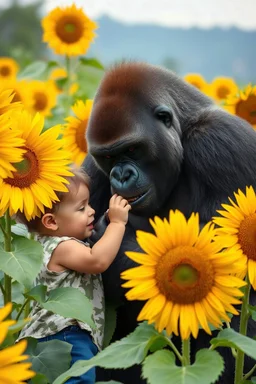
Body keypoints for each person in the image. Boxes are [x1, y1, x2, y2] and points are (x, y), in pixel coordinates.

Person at [16, 167, 131, 383]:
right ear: (51, 222)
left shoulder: (45, 244)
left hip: (55, 338)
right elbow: (98, 260)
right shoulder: (62, 247)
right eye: (81, 208)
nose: (91, 211)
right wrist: (117, 223)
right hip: (64, 336)